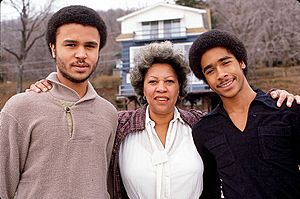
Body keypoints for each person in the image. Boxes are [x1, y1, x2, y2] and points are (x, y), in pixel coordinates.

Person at [27, 40, 299, 199]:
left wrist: (278, 96)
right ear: (141, 86)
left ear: (180, 87)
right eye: (153, 81)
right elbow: (79, 119)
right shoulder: (118, 124)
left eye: (169, 81)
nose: (161, 88)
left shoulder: (200, 125)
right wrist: (48, 89)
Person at [0, 5, 117, 199]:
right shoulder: (20, 108)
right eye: (71, 45)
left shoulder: (109, 113)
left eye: (90, 46)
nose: (81, 54)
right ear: (53, 48)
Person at [189, 29, 300, 199]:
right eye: (210, 71)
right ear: (205, 80)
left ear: (241, 62)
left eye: (225, 62)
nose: (221, 74)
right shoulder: (203, 130)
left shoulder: (286, 109)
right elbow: (210, 190)